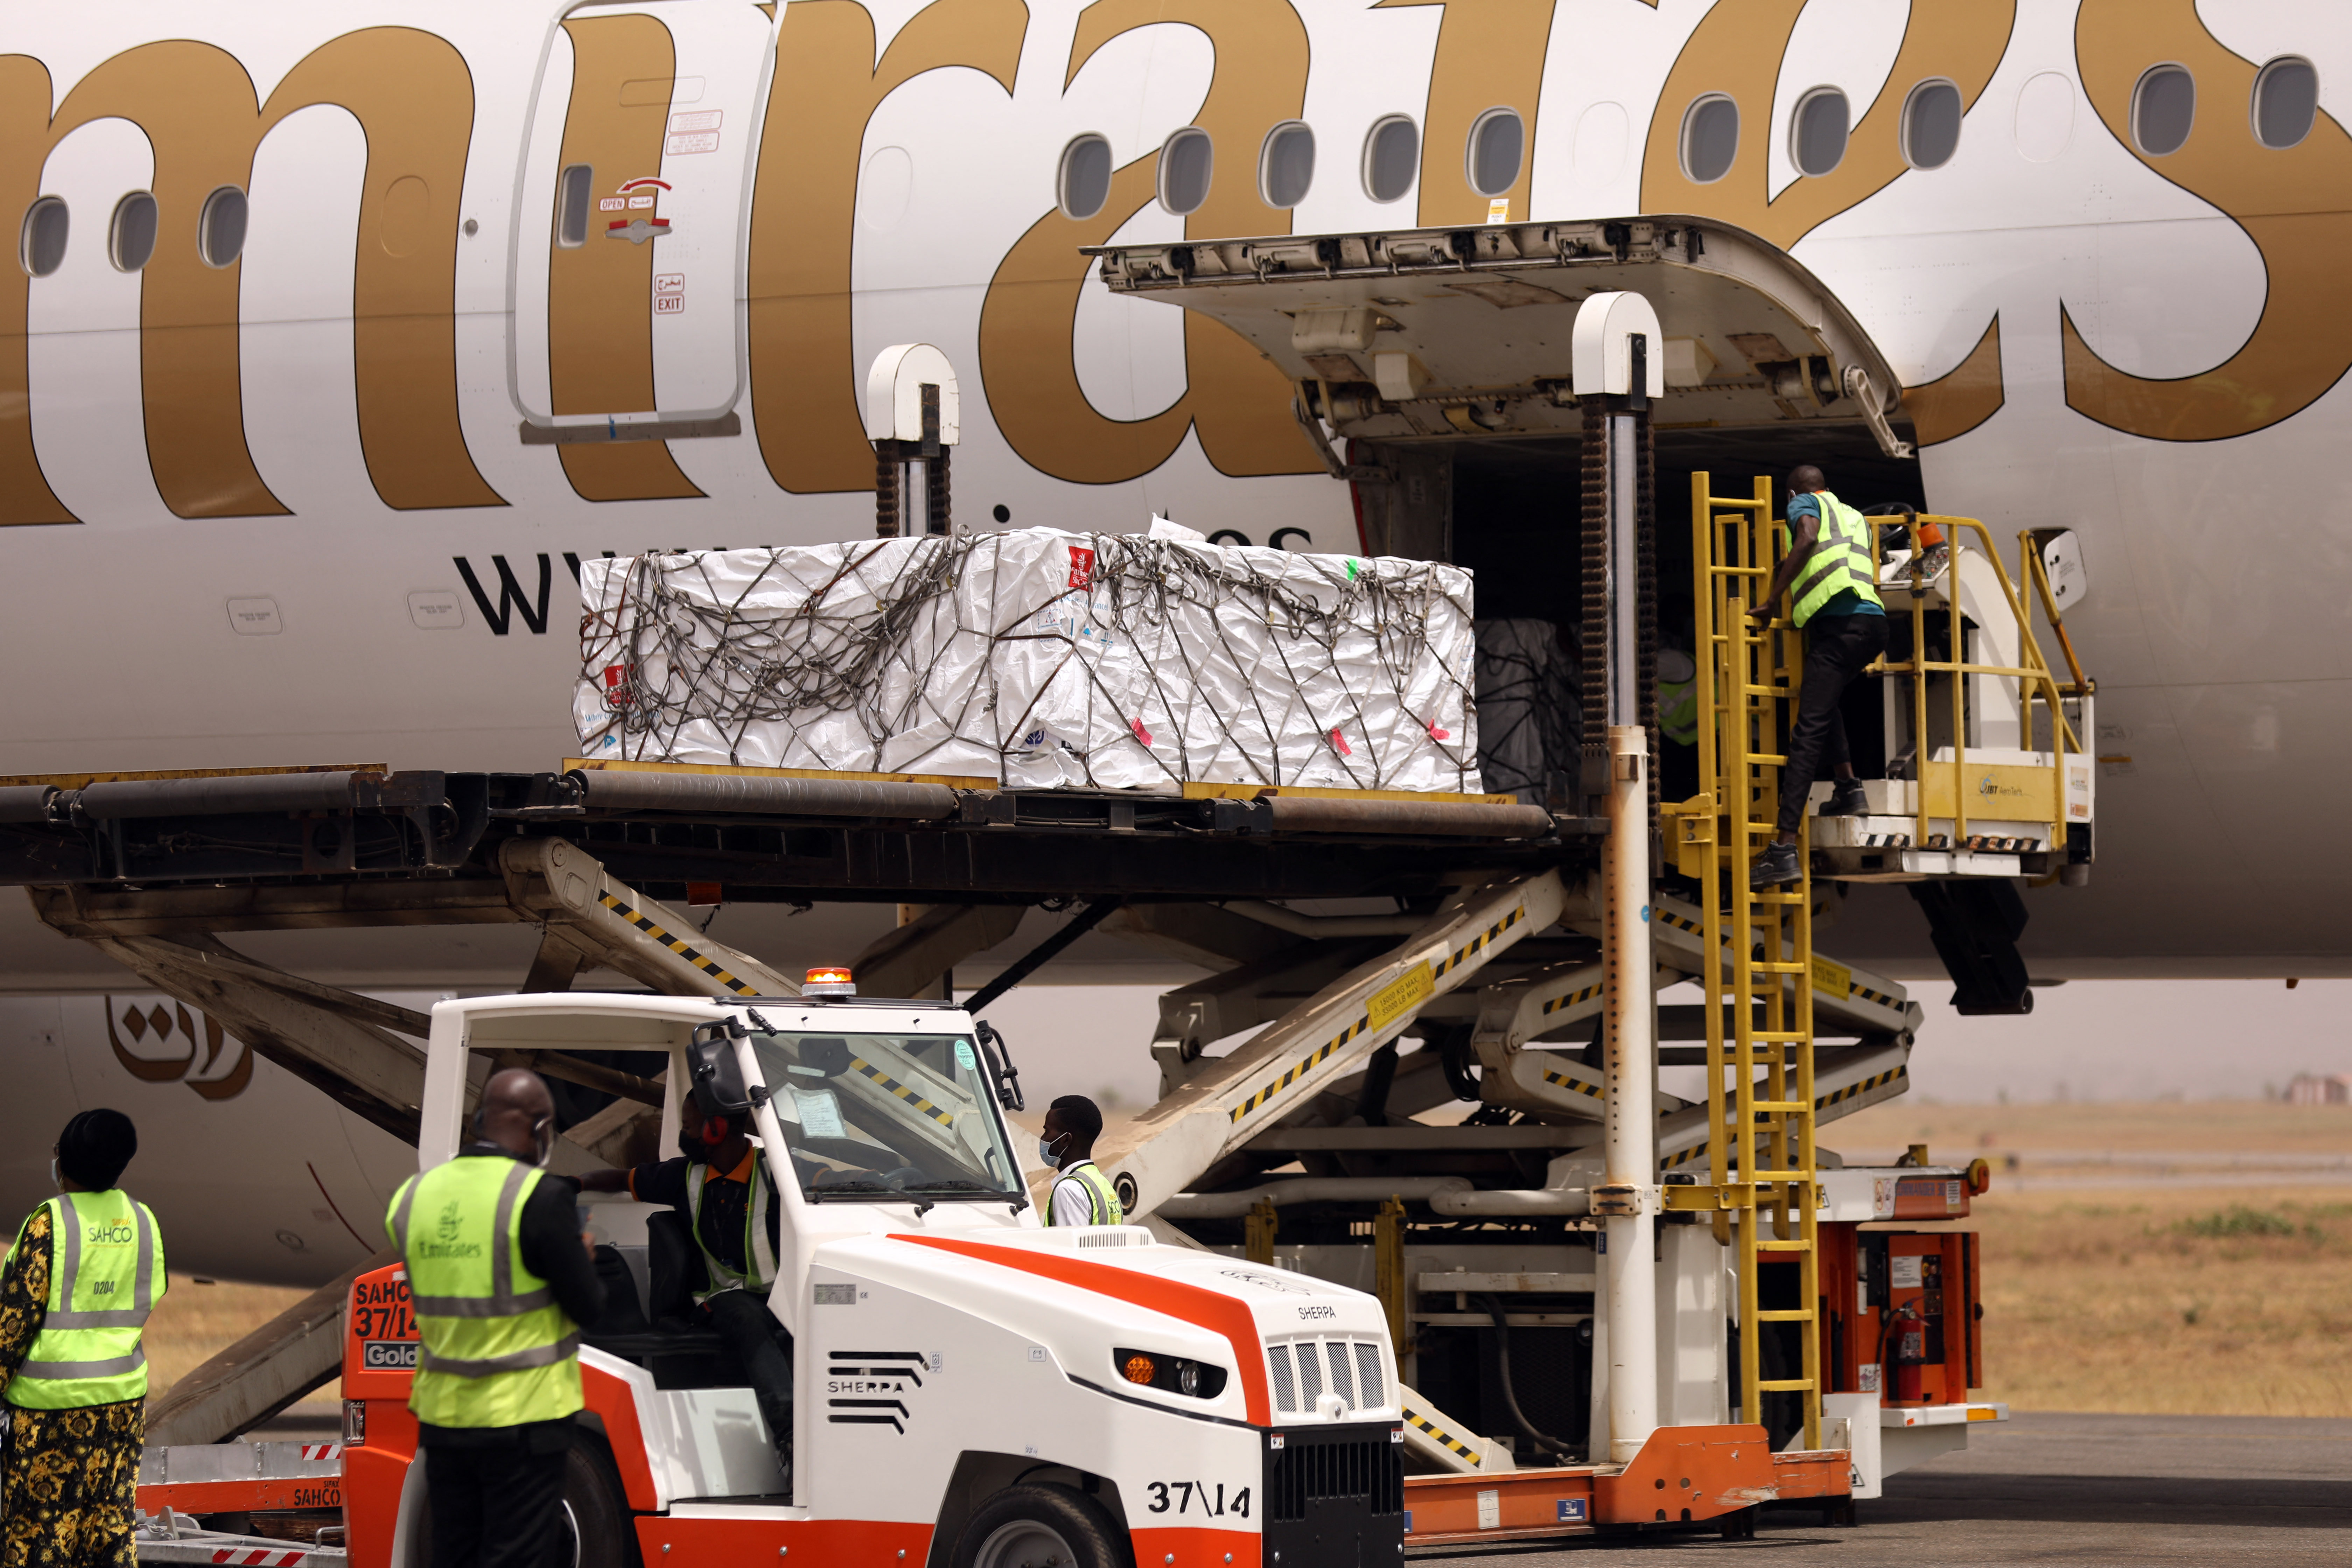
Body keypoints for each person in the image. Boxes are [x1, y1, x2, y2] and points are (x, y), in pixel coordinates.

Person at [387, 1069, 604, 1568]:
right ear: (541, 1129)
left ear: (482, 1119)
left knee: (454, 1554)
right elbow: (589, 1306)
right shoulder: (540, 1197)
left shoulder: (414, 1196)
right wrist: (583, 1259)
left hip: (444, 1420)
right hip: (523, 1421)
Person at [576, 1087, 793, 1482]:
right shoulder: (686, 1176)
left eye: (690, 1125)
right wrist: (572, 1183)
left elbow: (823, 1180)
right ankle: (791, 1437)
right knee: (749, 1317)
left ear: (717, 1127)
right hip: (721, 1300)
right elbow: (622, 1179)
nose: (685, 1134)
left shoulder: (778, 1172)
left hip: (781, 1299)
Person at [0, 1109, 163, 1568]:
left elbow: (13, 1324)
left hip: (49, 1413)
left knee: (40, 1538)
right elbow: (150, 1294)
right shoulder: (143, 1220)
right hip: (121, 1407)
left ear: (67, 1161)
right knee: (109, 1531)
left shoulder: (50, 1224)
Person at [1746, 464, 1889, 890]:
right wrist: (1786, 567)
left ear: (1793, 496)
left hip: (1839, 627)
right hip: (1873, 627)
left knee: (1807, 733)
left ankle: (1783, 848)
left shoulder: (1804, 504)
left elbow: (1807, 538)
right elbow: (1833, 557)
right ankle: (1848, 788)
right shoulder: (1854, 516)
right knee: (1822, 703)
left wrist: (1773, 599)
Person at [1038, 1096, 1123, 1226]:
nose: (1043, 1138)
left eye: (1047, 1131)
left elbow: (1072, 1240)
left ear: (1066, 1140)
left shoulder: (1068, 1190)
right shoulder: (1104, 1185)